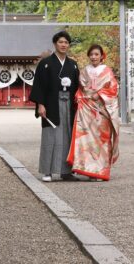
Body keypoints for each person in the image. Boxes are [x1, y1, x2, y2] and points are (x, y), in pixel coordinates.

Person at [28, 30, 80, 182]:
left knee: (68, 135)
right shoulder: (45, 63)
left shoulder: (73, 65)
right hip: (51, 104)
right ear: (55, 44)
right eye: (60, 42)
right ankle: (47, 171)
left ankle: (66, 171)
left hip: (69, 104)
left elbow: (79, 87)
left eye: (66, 42)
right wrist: (40, 105)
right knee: (50, 136)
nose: (63, 45)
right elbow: (39, 86)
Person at [67, 44, 120, 181]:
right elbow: (80, 88)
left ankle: (101, 170)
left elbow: (113, 89)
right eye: (91, 54)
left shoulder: (107, 71)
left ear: (102, 56)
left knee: (101, 139)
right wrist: (79, 96)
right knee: (86, 139)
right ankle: (90, 169)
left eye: (96, 54)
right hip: (87, 108)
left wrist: (101, 93)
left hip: (102, 108)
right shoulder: (84, 71)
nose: (94, 57)